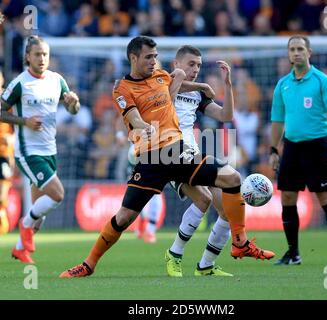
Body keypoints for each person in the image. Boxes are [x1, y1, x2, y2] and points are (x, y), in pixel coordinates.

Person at [60, 36, 275, 278]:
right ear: (133, 58)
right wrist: (144, 126)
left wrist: (202, 87)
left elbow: (180, 87)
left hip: (178, 151)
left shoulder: (162, 76)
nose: (154, 61)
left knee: (232, 178)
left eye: (155, 56)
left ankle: (238, 243)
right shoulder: (122, 87)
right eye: (148, 57)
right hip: (152, 157)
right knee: (124, 217)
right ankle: (88, 264)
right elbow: (133, 117)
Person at [0, 36, 80, 263]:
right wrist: (24, 121)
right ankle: (24, 226)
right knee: (58, 194)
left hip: (49, 150)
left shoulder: (57, 80)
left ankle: (19, 249)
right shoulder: (20, 83)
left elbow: (73, 109)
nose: (42, 58)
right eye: (37, 54)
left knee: (40, 212)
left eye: (45, 54)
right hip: (28, 151)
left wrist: (74, 104)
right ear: (28, 57)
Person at [166, 45, 244, 277]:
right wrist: (203, 85)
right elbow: (171, 86)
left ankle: (205, 265)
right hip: (170, 155)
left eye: (199, 65)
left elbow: (225, 116)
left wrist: (227, 85)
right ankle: (175, 254)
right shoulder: (162, 82)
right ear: (176, 65)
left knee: (225, 209)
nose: (196, 69)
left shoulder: (197, 96)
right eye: (191, 64)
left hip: (194, 156)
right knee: (206, 198)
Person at [269, 35, 327, 266]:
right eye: (292, 49)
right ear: (288, 54)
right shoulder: (283, 84)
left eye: (300, 49)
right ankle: (293, 253)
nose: (296, 53)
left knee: (325, 197)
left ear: (309, 52)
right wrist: (274, 150)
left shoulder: (322, 81)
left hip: (317, 146)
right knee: (288, 198)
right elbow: (277, 120)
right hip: (291, 148)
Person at [0, 70, 15, 235]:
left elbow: (20, 124)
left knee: (2, 195)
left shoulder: (8, 99)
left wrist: (13, 139)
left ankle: (2, 226)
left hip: (4, 154)